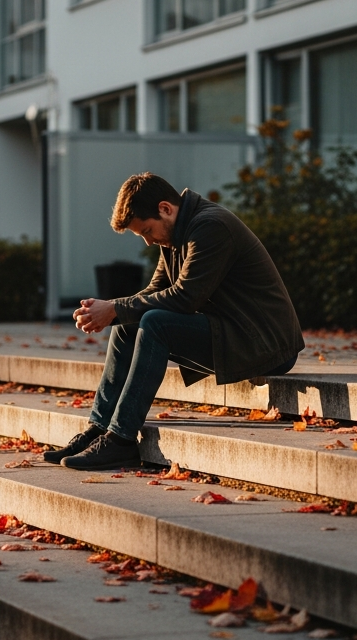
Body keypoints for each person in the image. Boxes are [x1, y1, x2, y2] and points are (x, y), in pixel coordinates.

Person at [45, 172, 303, 470]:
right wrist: (110, 310)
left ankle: (121, 440)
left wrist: (115, 307)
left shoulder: (211, 227)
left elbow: (185, 298)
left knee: (156, 323)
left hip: (265, 344)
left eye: (147, 231)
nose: (149, 241)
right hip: (230, 331)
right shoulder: (175, 234)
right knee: (128, 325)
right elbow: (155, 290)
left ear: (165, 208)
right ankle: (99, 428)